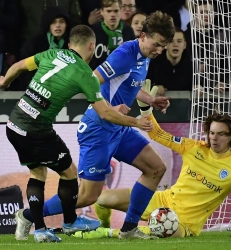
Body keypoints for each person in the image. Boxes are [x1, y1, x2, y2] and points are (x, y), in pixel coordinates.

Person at [14, 11, 175, 240]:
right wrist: (109, 106)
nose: (158, 51)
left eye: (163, 47)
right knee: (88, 196)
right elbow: (91, 80)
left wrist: (149, 99)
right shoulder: (124, 54)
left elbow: (129, 83)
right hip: (98, 128)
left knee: (155, 168)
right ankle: (29, 214)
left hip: (118, 129)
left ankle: (129, 229)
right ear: (143, 35)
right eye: (156, 44)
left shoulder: (145, 55)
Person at [72, 83, 231, 238]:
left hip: (184, 224)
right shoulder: (194, 147)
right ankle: (96, 222)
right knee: (101, 198)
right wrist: (145, 110)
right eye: (212, 133)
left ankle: (105, 233)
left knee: (158, 231)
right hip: (161, 200)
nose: (214, 138)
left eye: (220, 134)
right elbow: (158, 135)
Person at [8, 6, 71, 91]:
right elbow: (25, 71)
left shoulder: (72, 44)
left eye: (62, 22)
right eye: (53, 22)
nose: (58, 25)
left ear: (66, 25)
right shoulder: (34, 43)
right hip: (35, 90)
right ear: (48, 24)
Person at [88, 0, 136, 69]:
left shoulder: (128, 31)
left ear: (120, 11)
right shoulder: (93, 31)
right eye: (109, 11)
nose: (113, 15)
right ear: (101, 12)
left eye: (116, 11)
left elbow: (133, 57)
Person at [147, 27, 193, 96]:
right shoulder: (153, 64)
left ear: (184, 45)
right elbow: (141, 86)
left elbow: (200, 86)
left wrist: (198, 87)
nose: (175, 45)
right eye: (171, 41)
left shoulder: (192, 66)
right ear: (165, 45)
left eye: (179, 41)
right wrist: (154, 88)